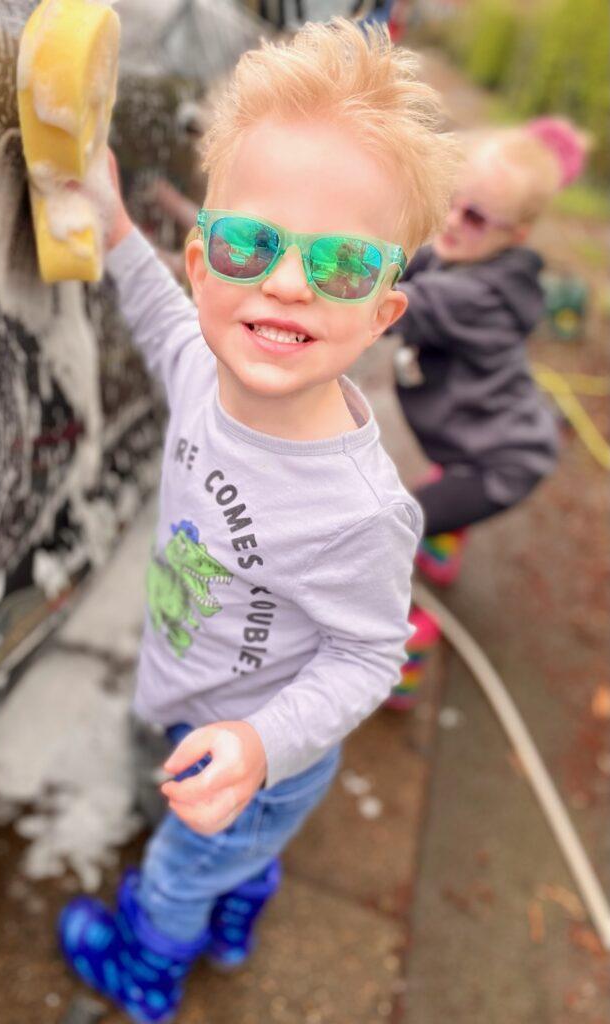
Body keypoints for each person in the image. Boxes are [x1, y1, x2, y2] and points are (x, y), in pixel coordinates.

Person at [57, 20, 458, 1022]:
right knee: (234, 853)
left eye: (339, 267)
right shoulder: (205, 364)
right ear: (204, 263)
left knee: (181, 863)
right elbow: (153, 309)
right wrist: (107, 217)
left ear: (382, 312)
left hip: (261, 746)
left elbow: (369, 655)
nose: (283, 282)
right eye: (249, 242)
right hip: (210, 708)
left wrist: (258, 744)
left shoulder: (356, 507)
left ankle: (149, 968)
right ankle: (247, 898)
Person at [390, 118, 587, 586]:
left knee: (392, 527)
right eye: (451, 201)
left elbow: (384, 305)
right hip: (474, 429)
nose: (452, 220)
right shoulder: (460, 250)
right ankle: (443, 536)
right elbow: (400, 261)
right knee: (441, 496)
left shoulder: (477, 296)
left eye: (475, 217)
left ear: (516, 235)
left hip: (501, 464)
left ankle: (408, 639)